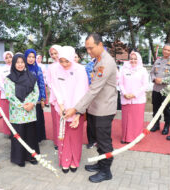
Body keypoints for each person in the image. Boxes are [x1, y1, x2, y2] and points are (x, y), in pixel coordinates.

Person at [65, 33, 117, 183]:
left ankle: (106, 171)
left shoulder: (106, 62)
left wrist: (75, 109)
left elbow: (94, 89)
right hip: (95, 108)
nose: (88, 51)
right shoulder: (98, 60)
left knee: (104, 141)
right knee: (97, 140)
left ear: (100, 45)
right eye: (86, 48)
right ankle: (101, 163)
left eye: (91, 48)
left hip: (104, 109)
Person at [51, 46, 89, 173]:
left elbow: (83, 91)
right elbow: (55, 88)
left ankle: (74, 160)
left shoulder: (80, 69)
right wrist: (62, 108)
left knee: (75, 136)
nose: (64, 64)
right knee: (64, 135)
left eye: (67, 61)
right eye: (61, 61)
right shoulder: (55, 69)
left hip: (77, 109)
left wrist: (77, 113)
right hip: (62, 109)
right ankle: (65, 160)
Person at [5, 53, 39, 167]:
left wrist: (32, 103)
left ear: (25, 63)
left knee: (30, 135)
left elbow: (36, 92)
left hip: (30, 111)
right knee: (19, 135)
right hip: (17, 112)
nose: (20, 65)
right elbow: (9, 95)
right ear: (14, 64)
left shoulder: (31, 76)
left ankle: (32, 156)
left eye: (22, 62)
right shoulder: (9, 79)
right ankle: (19, 158)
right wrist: (22, 105)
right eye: (17, 63)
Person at [119, 51, 149, 143]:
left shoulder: (143, 70)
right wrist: (124, 93)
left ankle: (135, 138)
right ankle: (125, 137)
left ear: (139, 59)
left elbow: (145, 85)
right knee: (126, 120)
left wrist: (134, 94)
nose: (133, 60)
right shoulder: (123, 69)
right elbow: (120, 83)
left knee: (136, 120)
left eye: (135, 59)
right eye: (131, 58)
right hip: (126, 98)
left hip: (138, 99)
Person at [150, 44, 170, 135]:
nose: (166, 51)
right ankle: (156, 125)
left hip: (166, 90)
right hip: (156, 89)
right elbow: (152, 72)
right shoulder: (158, 60)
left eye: (168, 50)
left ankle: (166, 126)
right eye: (165, 49)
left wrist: (162, 80)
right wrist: (154, 79)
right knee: (155, 108)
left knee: (167, 110)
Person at [25, 49, 47, 143]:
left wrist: (43, 99)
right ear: (25, 57)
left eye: (33, 57)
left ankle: (37, 138)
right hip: (25, 99)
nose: (31, 59)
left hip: (36, 99)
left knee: (37, 119)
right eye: (29, 57)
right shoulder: (23, 68)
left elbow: (41, 83)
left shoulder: (38, 69)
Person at [46, 44, 62, 150]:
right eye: (52, 54)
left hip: (65, 97)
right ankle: (57, 141)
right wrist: (55, 90)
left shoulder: (66, 64)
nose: (54, 56)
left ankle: (64, 140)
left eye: (56, 53)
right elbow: (48, 80)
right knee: (56, 120)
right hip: (54, 96)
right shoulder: (50, 67)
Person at [0, 51, 13, 136]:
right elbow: (0, 81)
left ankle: (16, 131)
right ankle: (8, 132)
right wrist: (7, 90)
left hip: (15, 96)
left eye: (10, 57)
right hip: (5, 96)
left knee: (14, 115)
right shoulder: (1, 69)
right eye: (6, 58)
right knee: (6, 115)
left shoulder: (17, 67)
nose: (8, 59)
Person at [84, 58, 97, 149]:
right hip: (90, 96)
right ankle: (91, 141)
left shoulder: (108, 65)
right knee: (90, 120)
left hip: (102, 97)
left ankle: (99, 141)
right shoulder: (88, 66)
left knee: (101, 122)